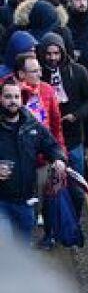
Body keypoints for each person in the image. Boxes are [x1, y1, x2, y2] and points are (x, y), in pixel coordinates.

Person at [0, 77, 67, 242]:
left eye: (16, 97)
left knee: (22, 252)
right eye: (8, 97)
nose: (12, 101)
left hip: (25, 202)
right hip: (1, 202)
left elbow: (52, 146)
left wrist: (58, 159)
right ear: (0, 98)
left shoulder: (32, 125)